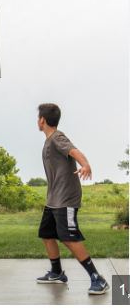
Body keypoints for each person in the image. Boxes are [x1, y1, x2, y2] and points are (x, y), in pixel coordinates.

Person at [36, 103, 109, 295]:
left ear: (42, 119)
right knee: (47, 234)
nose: (37, 120)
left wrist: (85, 165)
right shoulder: (49, 140)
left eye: (38, 117)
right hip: (53, 198)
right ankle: (57, 272)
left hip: (65, 198)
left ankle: (97, 279)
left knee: (68, 238)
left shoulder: (57, 137)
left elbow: (74, 151)